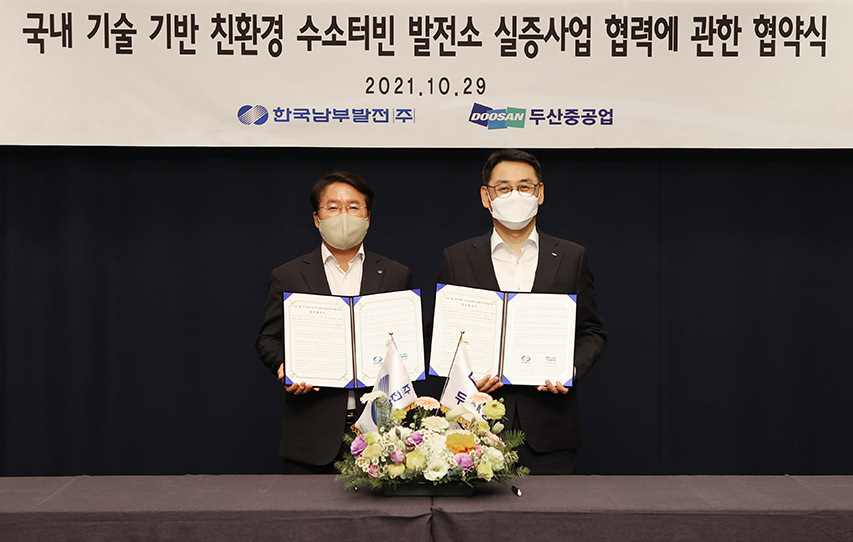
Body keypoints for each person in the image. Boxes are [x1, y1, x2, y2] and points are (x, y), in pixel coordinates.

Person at [436, 149, 607, 474]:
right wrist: (464, 377)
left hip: (550, 426)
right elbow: (444, 334)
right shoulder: (457, 258)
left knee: (552, 521)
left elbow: (592, 331)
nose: (514, 195)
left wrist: (569, 370)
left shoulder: (571, 257)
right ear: (486, 197)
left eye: (524, 187)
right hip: (475, 425)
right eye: (503, 187)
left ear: (540, 193)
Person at [255, 171, 412, 474]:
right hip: (312, 432)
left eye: (354, 207)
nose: (344, 215)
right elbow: (268, 339)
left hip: (381, 433)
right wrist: (285, 366)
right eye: (333, 207)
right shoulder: (288, 275)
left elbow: (409, 342)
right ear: (317, 218)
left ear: (368, 216)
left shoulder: (395, 274)